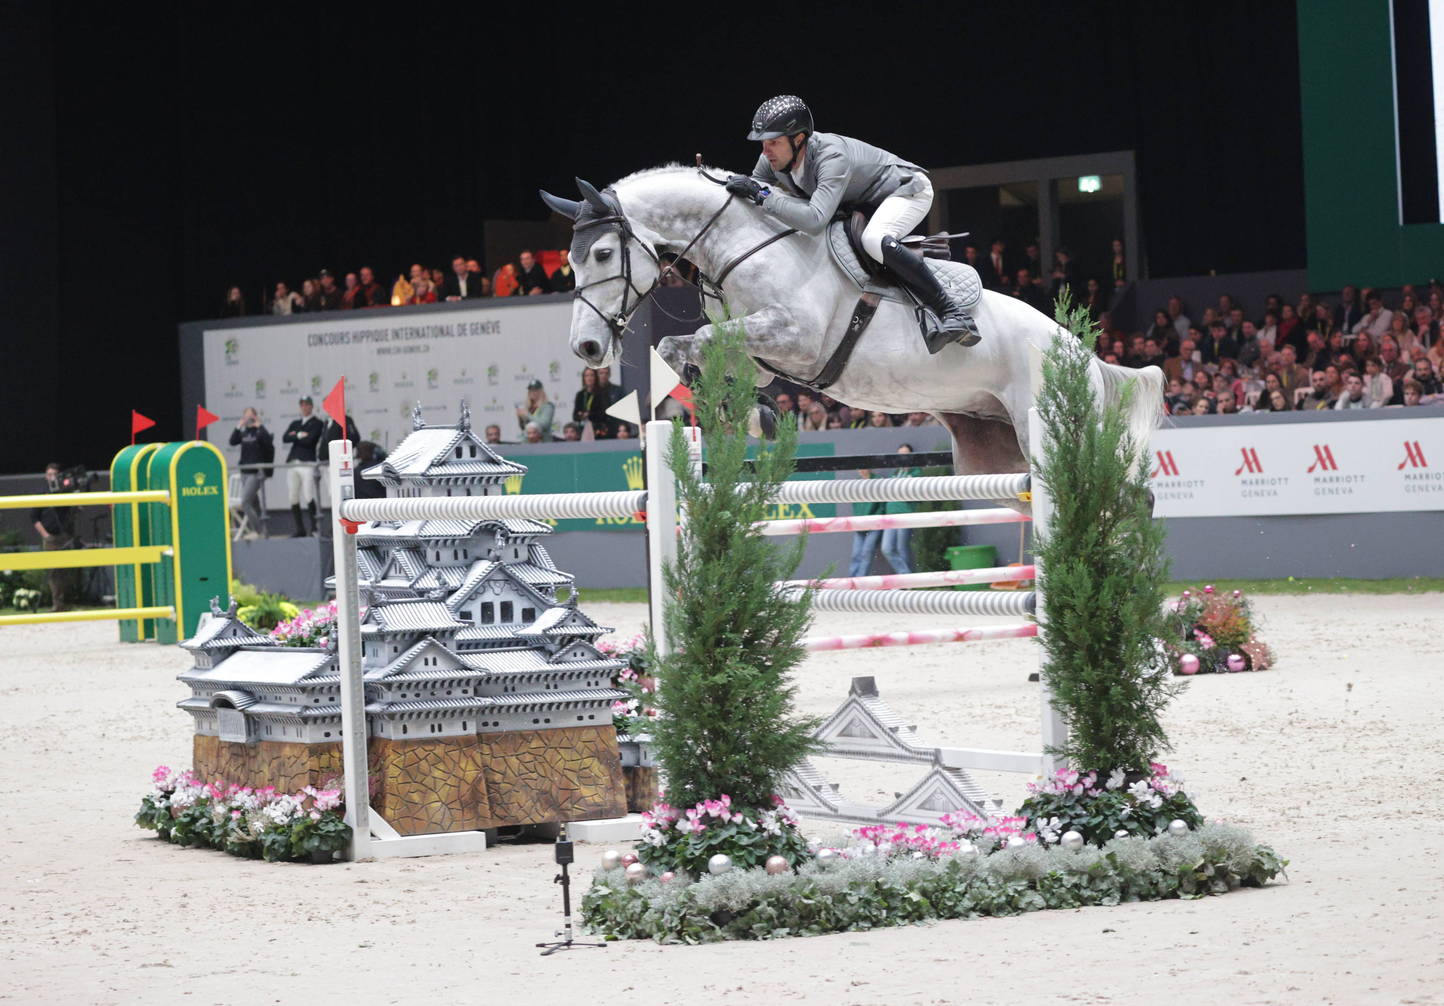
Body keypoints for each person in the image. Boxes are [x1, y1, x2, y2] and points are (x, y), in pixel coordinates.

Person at [725, 95, 979, 353]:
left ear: (799, 139)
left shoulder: (831, 156)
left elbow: (813, 220)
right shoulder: (772, 160)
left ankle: (952, 311)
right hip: (867, 202)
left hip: (907, 190)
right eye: (763, 143)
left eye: (774, 143)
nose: (766, 151)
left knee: (874, 239)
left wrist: (761, 195)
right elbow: (755, 195)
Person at [29, 462, 79, 612]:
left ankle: (68, 602)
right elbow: (34, 518)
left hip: (64, 535)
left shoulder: (64, 492)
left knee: (66, 571)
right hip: (50, 537)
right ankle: (57, 604)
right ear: (46, 476)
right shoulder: (42, 492)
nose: (52, 477)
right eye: (50, 474)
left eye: (55, 475)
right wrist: (46, 535)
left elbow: (73, 511)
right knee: (53, 572)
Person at [281, 396, 323, 536]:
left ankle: (314, 528)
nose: (305, 407)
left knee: (308, 494)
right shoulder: (296, 422)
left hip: (307, 463)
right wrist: (299, 435)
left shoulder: (317, 422)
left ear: (311, 406)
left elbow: (311, 440)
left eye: (307, 405)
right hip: (293, 462)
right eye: (302, 405)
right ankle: (300, 529)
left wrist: (296, 436)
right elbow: (285, 438)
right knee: (293, 496)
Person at [228, 408, 273, 539]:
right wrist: (238, 426)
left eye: (251, 416)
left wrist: (260, 426)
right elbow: (232, 441)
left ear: (255, 416)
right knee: (254, 502)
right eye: (246, 416)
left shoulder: (259, 431)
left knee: (245, 501)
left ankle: (257, 531)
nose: (249, 419)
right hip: (244, 471)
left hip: (256, 472)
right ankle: (264, 531)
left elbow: (268, 443)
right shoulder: (244, 431)